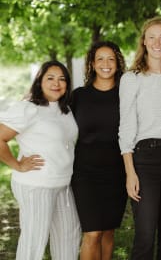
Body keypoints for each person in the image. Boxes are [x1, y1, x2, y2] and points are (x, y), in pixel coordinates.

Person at [118, 16, 161, 260]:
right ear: (144, 42)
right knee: (145, 234)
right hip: (146, 160)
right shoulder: (131, 79)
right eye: (152, 37)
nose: (158, 42)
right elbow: (126, 127)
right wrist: (130, 172)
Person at [0, 60, 80, 260]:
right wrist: (16, 165)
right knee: (34, 242)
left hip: (63, 184)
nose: (57, 83)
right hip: (37, 185)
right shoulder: (28, 108)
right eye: (50, 78)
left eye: (62, 79)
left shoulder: (65, 109)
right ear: (39, 82)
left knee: (69, 239)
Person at [70, 41, 128, 260]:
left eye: (111, 59)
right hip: (85, 174)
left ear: (118, 63)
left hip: (117, 174)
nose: (106, 64)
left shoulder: (126, 95)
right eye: (100, 59)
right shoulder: (78, 96)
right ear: (92, 64)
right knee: (92, 233)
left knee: (108, 231)